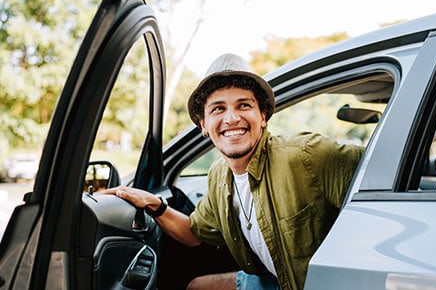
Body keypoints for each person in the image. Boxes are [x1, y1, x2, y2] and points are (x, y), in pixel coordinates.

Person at [103, 53, 363, 290]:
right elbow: (194, 234)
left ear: (263, 116)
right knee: (196, 287)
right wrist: (152, 203)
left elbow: (383, 177)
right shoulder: (219, 176)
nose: (231, 119)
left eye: (244, 105)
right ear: (204, 125)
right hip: (270, 279)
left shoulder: (308, 155)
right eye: (218, 109)